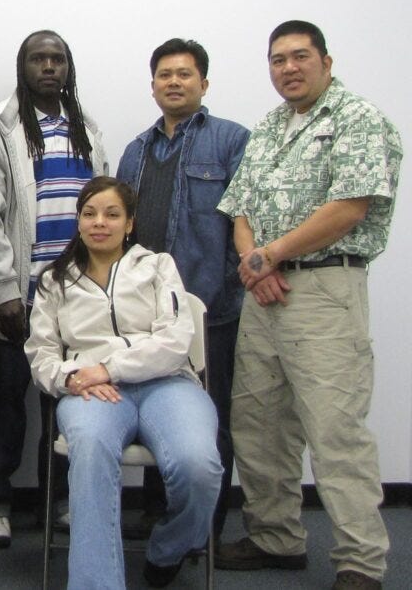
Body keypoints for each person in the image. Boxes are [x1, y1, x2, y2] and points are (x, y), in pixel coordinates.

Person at [216, 21, 402, 590]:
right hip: (263, 293)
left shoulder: (357, 118)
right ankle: (276, 536)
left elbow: (349, 207)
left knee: (334, 430)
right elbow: (239, 208)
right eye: (278, 59)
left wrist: (270, 255)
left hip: (323, 292)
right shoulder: (270, 127)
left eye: (299, 56)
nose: (288, 68)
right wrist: (257, 263)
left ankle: (360, 561)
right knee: (259, 424)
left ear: (325, 60)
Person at [25, 176, 222, 589]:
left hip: (167, 383)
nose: (100, 222)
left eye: (112, 214)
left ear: (129, 223)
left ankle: (168, 548)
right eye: (90, 214)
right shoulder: (53, 280)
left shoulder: (158, 266)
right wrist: (71, 376)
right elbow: (41, 355)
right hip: (89, 390)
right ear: (78, 221)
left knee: (198, 467)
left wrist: (110, 368)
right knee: (92, 454)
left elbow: (175, 341)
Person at [0, 30, 108, 546]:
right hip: (21, 295)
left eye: (58, 59)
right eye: (38, 58)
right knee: (6, 404)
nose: (49, 67)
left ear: (68, 67)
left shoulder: (86, 128)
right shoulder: (0, 127)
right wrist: (4, 290)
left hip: (79, 295)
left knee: (72, 402)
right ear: (21, 66)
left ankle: (63, 499)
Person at [116, 38, 248, 540]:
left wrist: (228, 283)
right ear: (152, 86)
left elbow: (246, 220)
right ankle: (157, 513)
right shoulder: (136, 151)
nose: (174, 82)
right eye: (164, 75)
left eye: (184, 74)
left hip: (211, 308)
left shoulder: (231, 140)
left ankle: (203, 530)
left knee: (212, 417)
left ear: (204, 83)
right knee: (157, 406)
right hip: (148, 313)